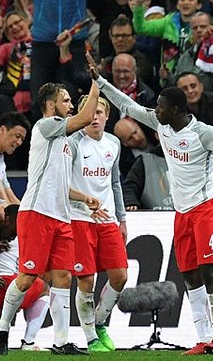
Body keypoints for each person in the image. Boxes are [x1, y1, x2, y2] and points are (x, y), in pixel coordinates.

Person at [87, 52, 213, 355]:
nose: (156, 110)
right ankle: (203, 338)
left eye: (161, 106)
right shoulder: (161, 123)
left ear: (176, 109)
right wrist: (100, 81)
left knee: (208, 271)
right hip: (182, 212)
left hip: (206, 207)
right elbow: (127, 105)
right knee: (189, 274)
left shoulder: (201, 133)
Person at [0, 80, 104, 356]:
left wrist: (83, 197)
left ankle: (61, 342)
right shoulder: (45, 126)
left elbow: (59, 182)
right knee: (28, 277)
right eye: (66, 100)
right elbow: (85, 118)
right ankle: (2, 328)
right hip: (37, 213)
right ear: (51, 104)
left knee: (63, 277)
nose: (70, 105)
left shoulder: (63, 141)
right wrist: (95, 86)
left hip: (61, 216)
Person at [68, 95, 127, 352]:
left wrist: (122, 218)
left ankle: (99, 321)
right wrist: (84, 206)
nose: (94, 117)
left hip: (108, 220)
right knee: (86, 280)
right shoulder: (72, 143)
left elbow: (115, 183)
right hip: (80, 219)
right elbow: (62, 184)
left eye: (99, 112)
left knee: (120, 276)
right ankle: (91, 337)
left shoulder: (114, 143)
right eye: (89, 112)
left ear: (107, 116)